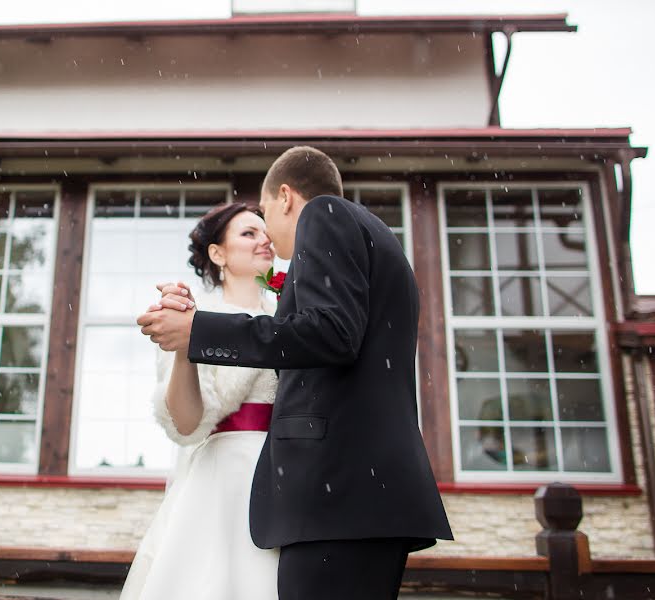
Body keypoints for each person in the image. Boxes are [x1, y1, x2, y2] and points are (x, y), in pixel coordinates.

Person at [138, 146, 454, 600]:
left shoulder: (326, 215)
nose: (267, 233)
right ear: (217, 253)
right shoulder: (378, 236)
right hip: (346, 491)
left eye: (264, 214)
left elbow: (330, 334)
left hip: (337, 494)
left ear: (285, 197)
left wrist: (198, 330)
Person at [120, 202, 281, 600]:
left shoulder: (289, 317)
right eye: (248, 233)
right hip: (223, 479)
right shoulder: (192, 317)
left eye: (266, 232)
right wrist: (185, 346)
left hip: (287, 476)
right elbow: (187, 425)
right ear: (217, 253)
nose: (265, 240)